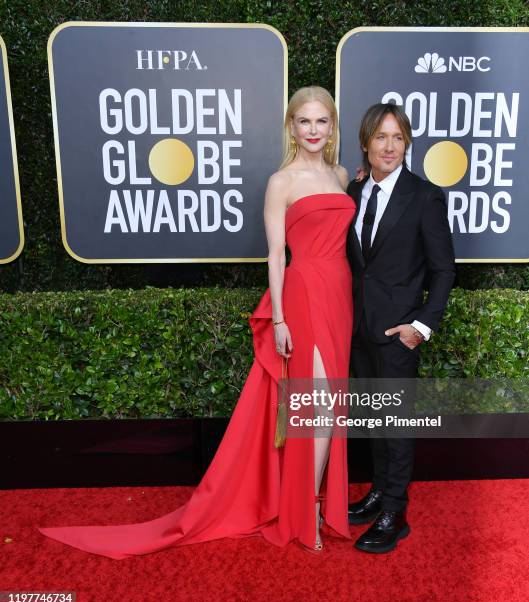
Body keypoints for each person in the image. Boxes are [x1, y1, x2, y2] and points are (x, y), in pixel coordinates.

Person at [38, 86, 356, 558]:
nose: (313, 130)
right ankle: (306, 508)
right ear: (291, 127)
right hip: (305, 295)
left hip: (341, 294)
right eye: (304, 121)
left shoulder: (342, 174)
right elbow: (274, 255)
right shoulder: (281, 181)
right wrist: (282, 319)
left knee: (333, 406)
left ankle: (313, 503)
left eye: (321, 121)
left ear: (332, 127)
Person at [345, 103, 455, 553]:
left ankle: (395, 511)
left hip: (397, 334)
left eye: (397, 138)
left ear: (407, 143)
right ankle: (377, 493)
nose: (389, 147)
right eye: (380, 137)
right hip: (357, 328)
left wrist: (421, 327)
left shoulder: (424, 195)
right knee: (373, 418)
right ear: (366, 143)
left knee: (396, 423)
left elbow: (444, 270)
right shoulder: (353, 192)